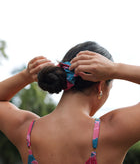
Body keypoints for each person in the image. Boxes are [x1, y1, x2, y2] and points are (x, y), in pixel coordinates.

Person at [0, 41, 140, 164]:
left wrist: (25, 76)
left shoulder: (26, 130)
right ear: (100, 86)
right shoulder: (114, 130)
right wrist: (116, 69)